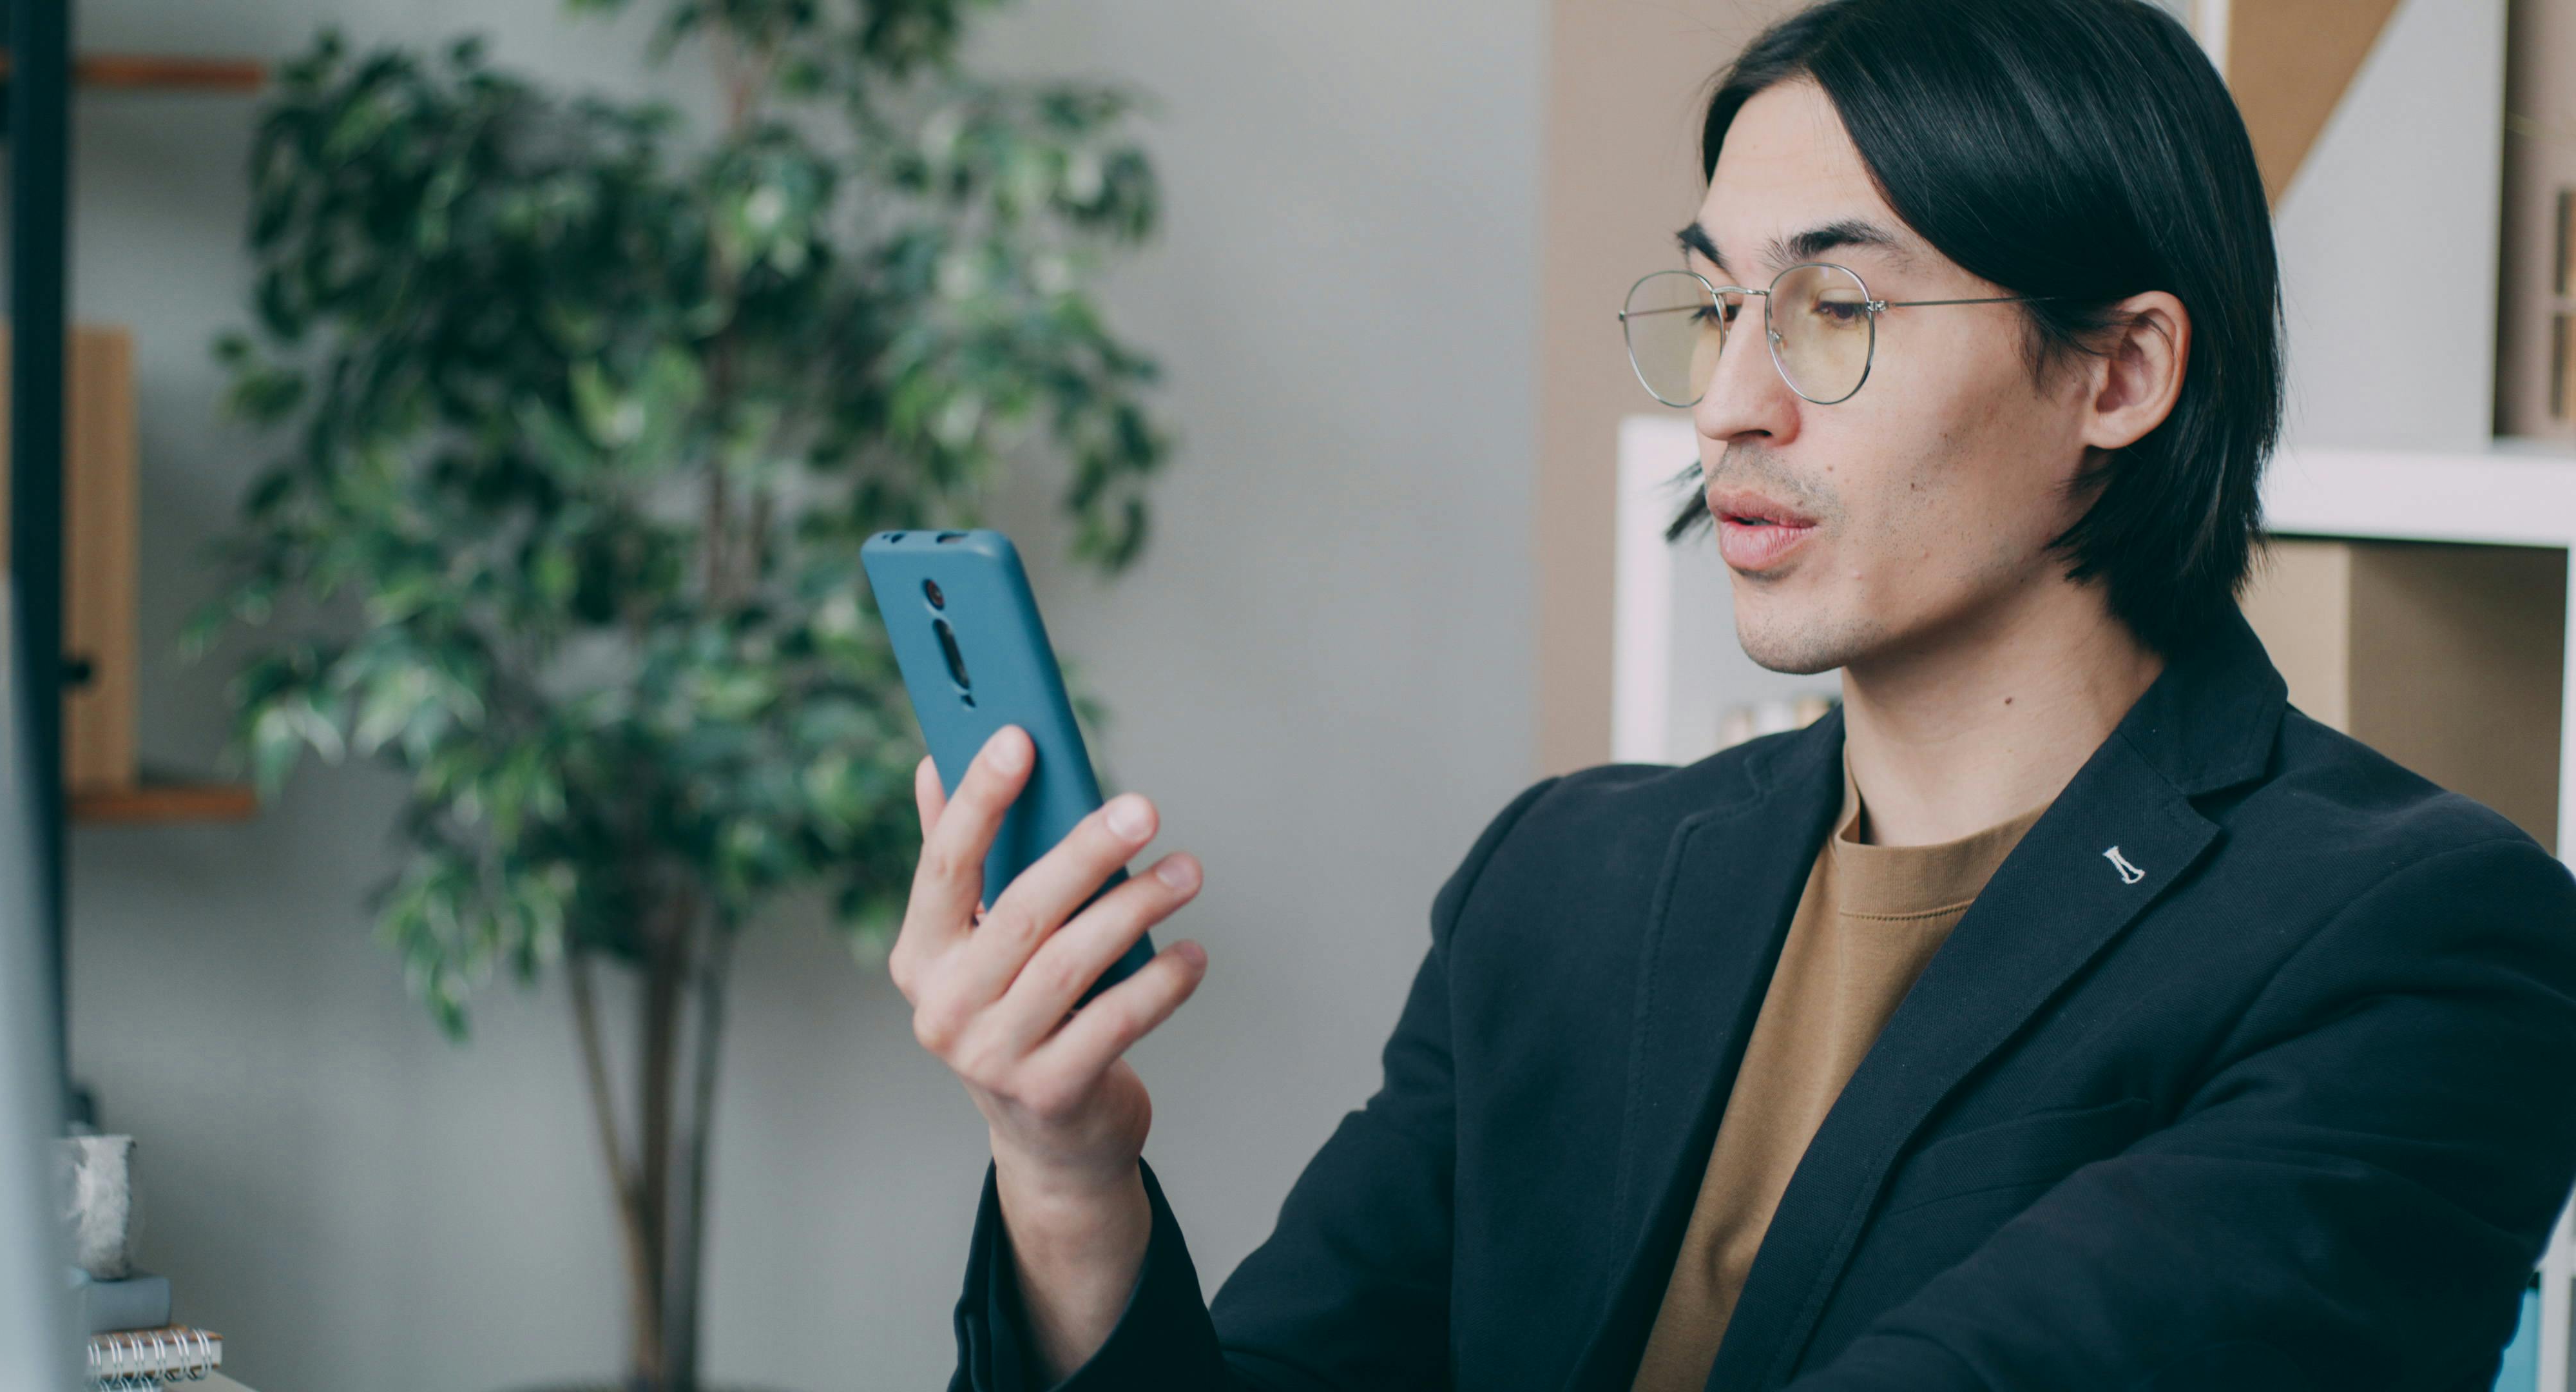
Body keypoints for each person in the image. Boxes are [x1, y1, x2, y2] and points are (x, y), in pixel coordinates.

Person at [887, 0, 2576, 1386]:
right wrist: (1067, 1177)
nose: (1730, 403)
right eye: (1714, 306)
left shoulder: (2421, 945)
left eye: (1833, 306)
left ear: (2119, 374)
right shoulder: (1566, 883)